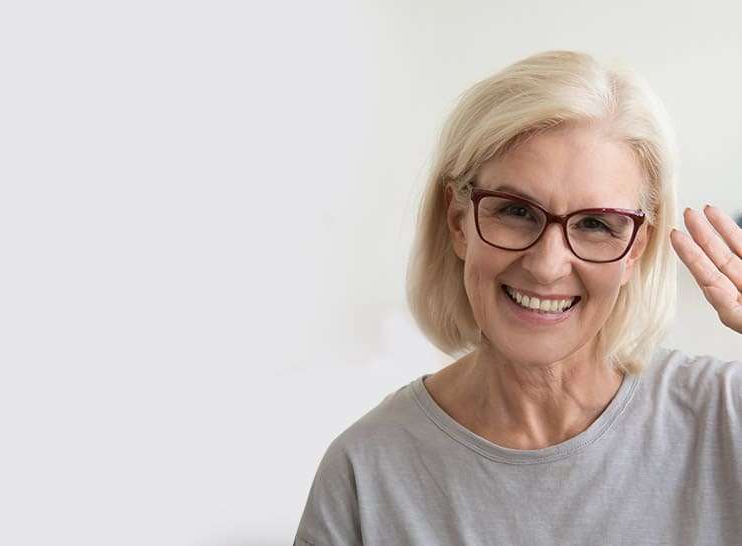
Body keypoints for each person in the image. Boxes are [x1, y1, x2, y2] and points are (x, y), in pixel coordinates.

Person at [293, 51, 742, 545]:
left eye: (595, 224)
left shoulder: (728, 419)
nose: (547, 265)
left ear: (636, 248)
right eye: (515, 211)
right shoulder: (364, 474)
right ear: (458, 221)